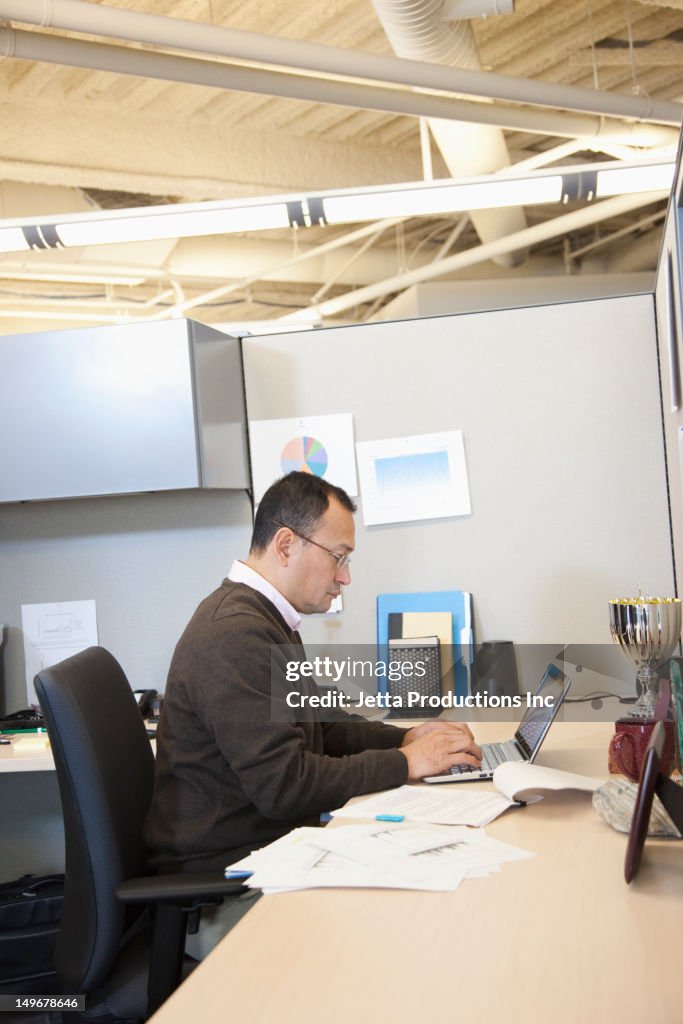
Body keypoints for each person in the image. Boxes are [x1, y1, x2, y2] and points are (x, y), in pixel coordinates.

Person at [144, 471, 481, 950]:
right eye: (339, 557)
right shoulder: (233, 634)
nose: (345, 576)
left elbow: (321, 725)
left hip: (269, 854)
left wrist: (406, 739)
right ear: (286, 545)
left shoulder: (266, 617)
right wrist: (407, 763)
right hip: (229, 888)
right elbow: (286, 786)